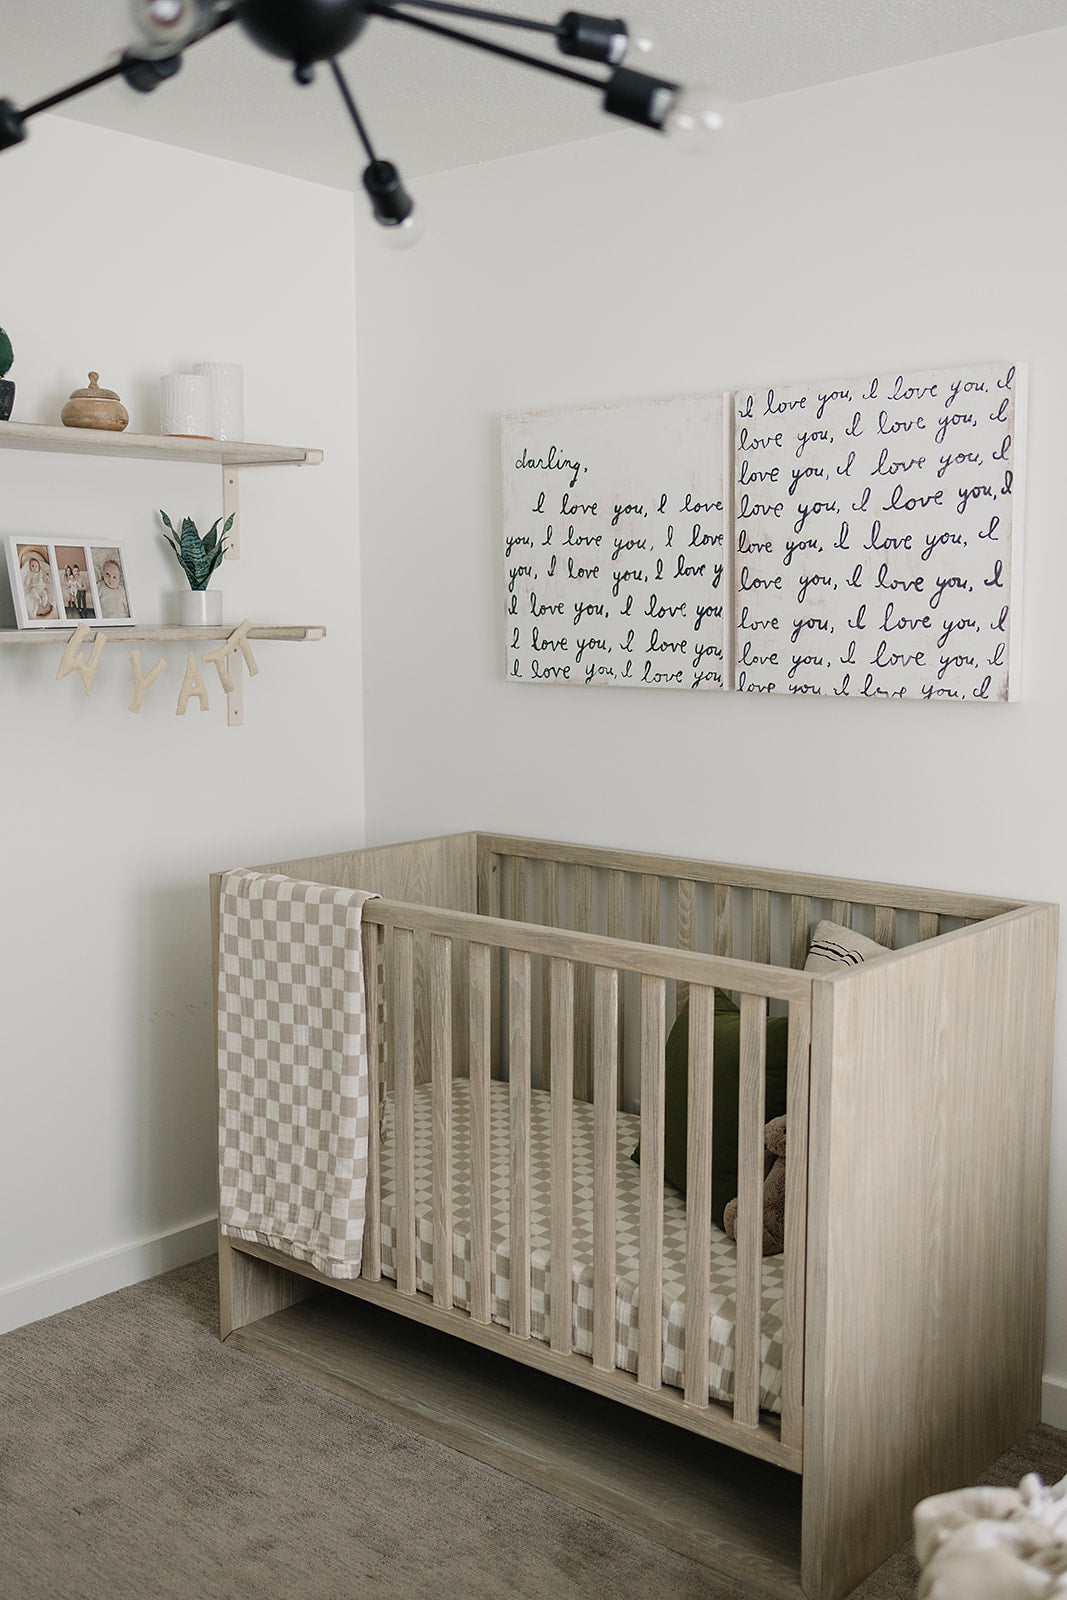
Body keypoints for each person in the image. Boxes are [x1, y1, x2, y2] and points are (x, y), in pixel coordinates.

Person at [20, 546, 57, 620]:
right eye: (32, 566)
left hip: (42, 588)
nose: (34, 567)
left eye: (36, 565)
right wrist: (27, 583)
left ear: (39, 566)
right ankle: (38, 600)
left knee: (45, 596)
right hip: (34, 588)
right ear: (30, 567)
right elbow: (27, 579)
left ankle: (43, 604)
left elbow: (45, 576)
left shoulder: (41, 572)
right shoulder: (30, 573)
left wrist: (47, 579)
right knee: (33, 593)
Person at [95, 554, 130, 619]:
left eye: (114, 577)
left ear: (119, 579)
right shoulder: (101, 585)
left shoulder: (121, 590)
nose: (110, 578)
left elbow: (127, 607)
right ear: (103, 574)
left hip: (121, 618)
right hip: (106, 619)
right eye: (107, 574)